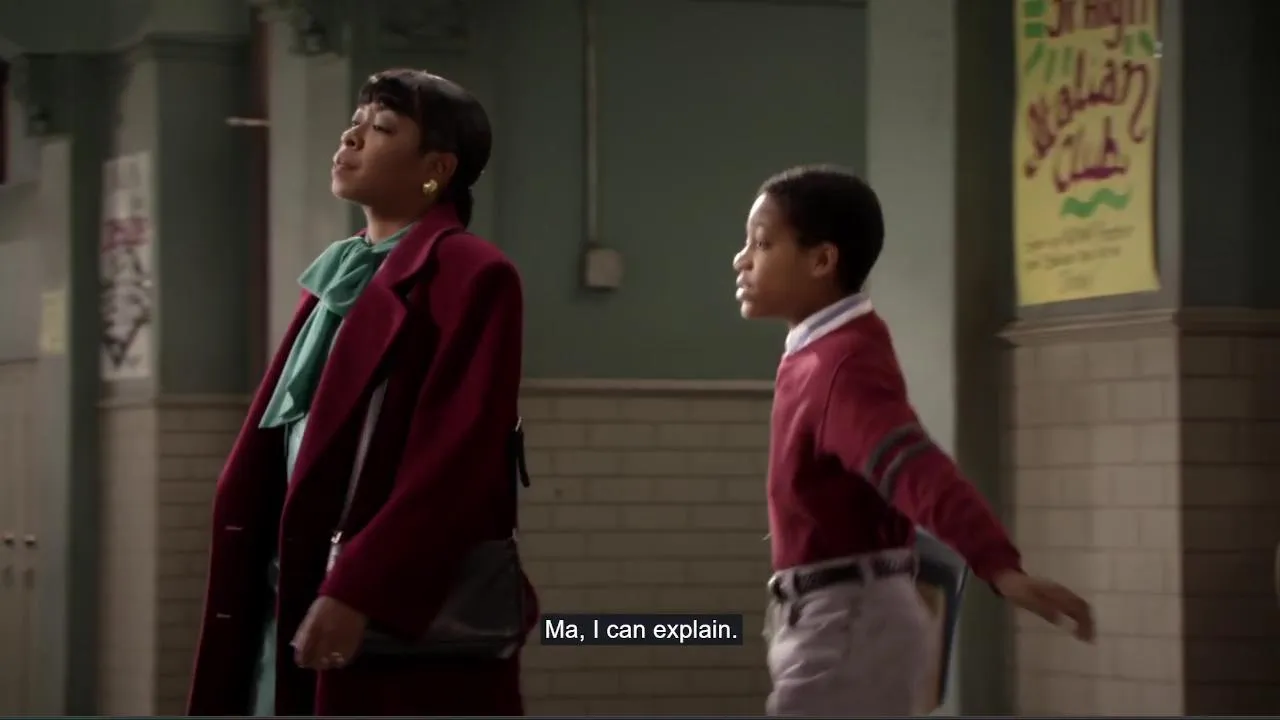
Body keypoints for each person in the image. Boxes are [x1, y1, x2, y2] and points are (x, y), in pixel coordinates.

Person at [186, 69, 537, 717]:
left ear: (435, 169)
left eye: (382, 128)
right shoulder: (343, 270)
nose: (351, 137)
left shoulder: (471, 273)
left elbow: (456, 458)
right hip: (284, 591)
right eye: (356, 122)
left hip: (379, 609)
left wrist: (359, 589)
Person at [733, 165, 1095, 716]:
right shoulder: (819, 352)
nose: (742, 259)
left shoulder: (840, 364)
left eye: (762, 243)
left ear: (822, 260)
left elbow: (912, 468)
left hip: (849, 624)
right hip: (837, 615)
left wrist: (998, 564)